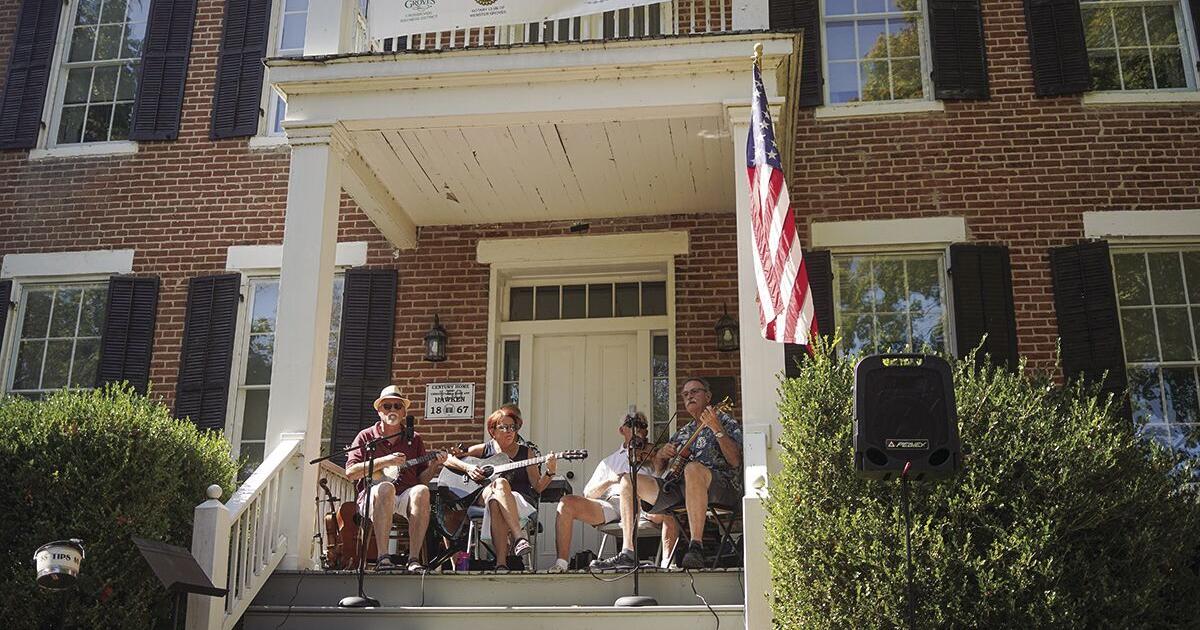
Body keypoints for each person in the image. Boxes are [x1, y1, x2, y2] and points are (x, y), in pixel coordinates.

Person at [591, 378, 742, 571]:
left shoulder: (724, 421)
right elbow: (661, 470)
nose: (690, 397)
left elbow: (735, 460)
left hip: (719, 486)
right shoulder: (683, 432)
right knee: (629, 480)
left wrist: (716, 429)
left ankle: (696, 546)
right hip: (679, 488)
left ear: (708, 396)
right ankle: (628, 552)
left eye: (695, 391)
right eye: (685, 394)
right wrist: (661, 455)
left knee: (692, 469)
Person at [547, 411, 679, 573]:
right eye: (632, 425)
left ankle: (667, 564)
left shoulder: (653, 456)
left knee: (669, 507)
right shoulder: (609, 461)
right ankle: (561, 564)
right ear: (622, 430)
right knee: (566, 503)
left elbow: (662, 488)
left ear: (646, 431)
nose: (637, 429)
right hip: (612, 505)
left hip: (645, 506)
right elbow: (588, 493)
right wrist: (611, 480)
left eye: (641, 425)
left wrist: (658, 464)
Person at [344, 385, 448, 572]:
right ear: (379, 411)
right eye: (387, 406)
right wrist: (384, 461)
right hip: (372, 497)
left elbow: (422, 480)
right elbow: (351, 472)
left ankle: (414, 559)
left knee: (422, 491)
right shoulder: (366, 436)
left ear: (404, 412)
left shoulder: (414, 439)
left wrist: (434, 465)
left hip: (404, 496)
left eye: (397, 406)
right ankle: (383, 557)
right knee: (386, 488)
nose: (392, 410)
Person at [444, 404, 557, 572]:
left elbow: (538, 487)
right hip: (485, 495)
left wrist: (550, 471)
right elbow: (448, 458)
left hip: (517, 500)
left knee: (496, 501)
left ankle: (501, 563)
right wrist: (468, 468)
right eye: (504, 427)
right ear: (493, 431)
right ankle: (519, 537)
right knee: (500, 484)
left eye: (513, 427)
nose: (510, 431)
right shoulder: (485, 449)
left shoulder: (526, 453)